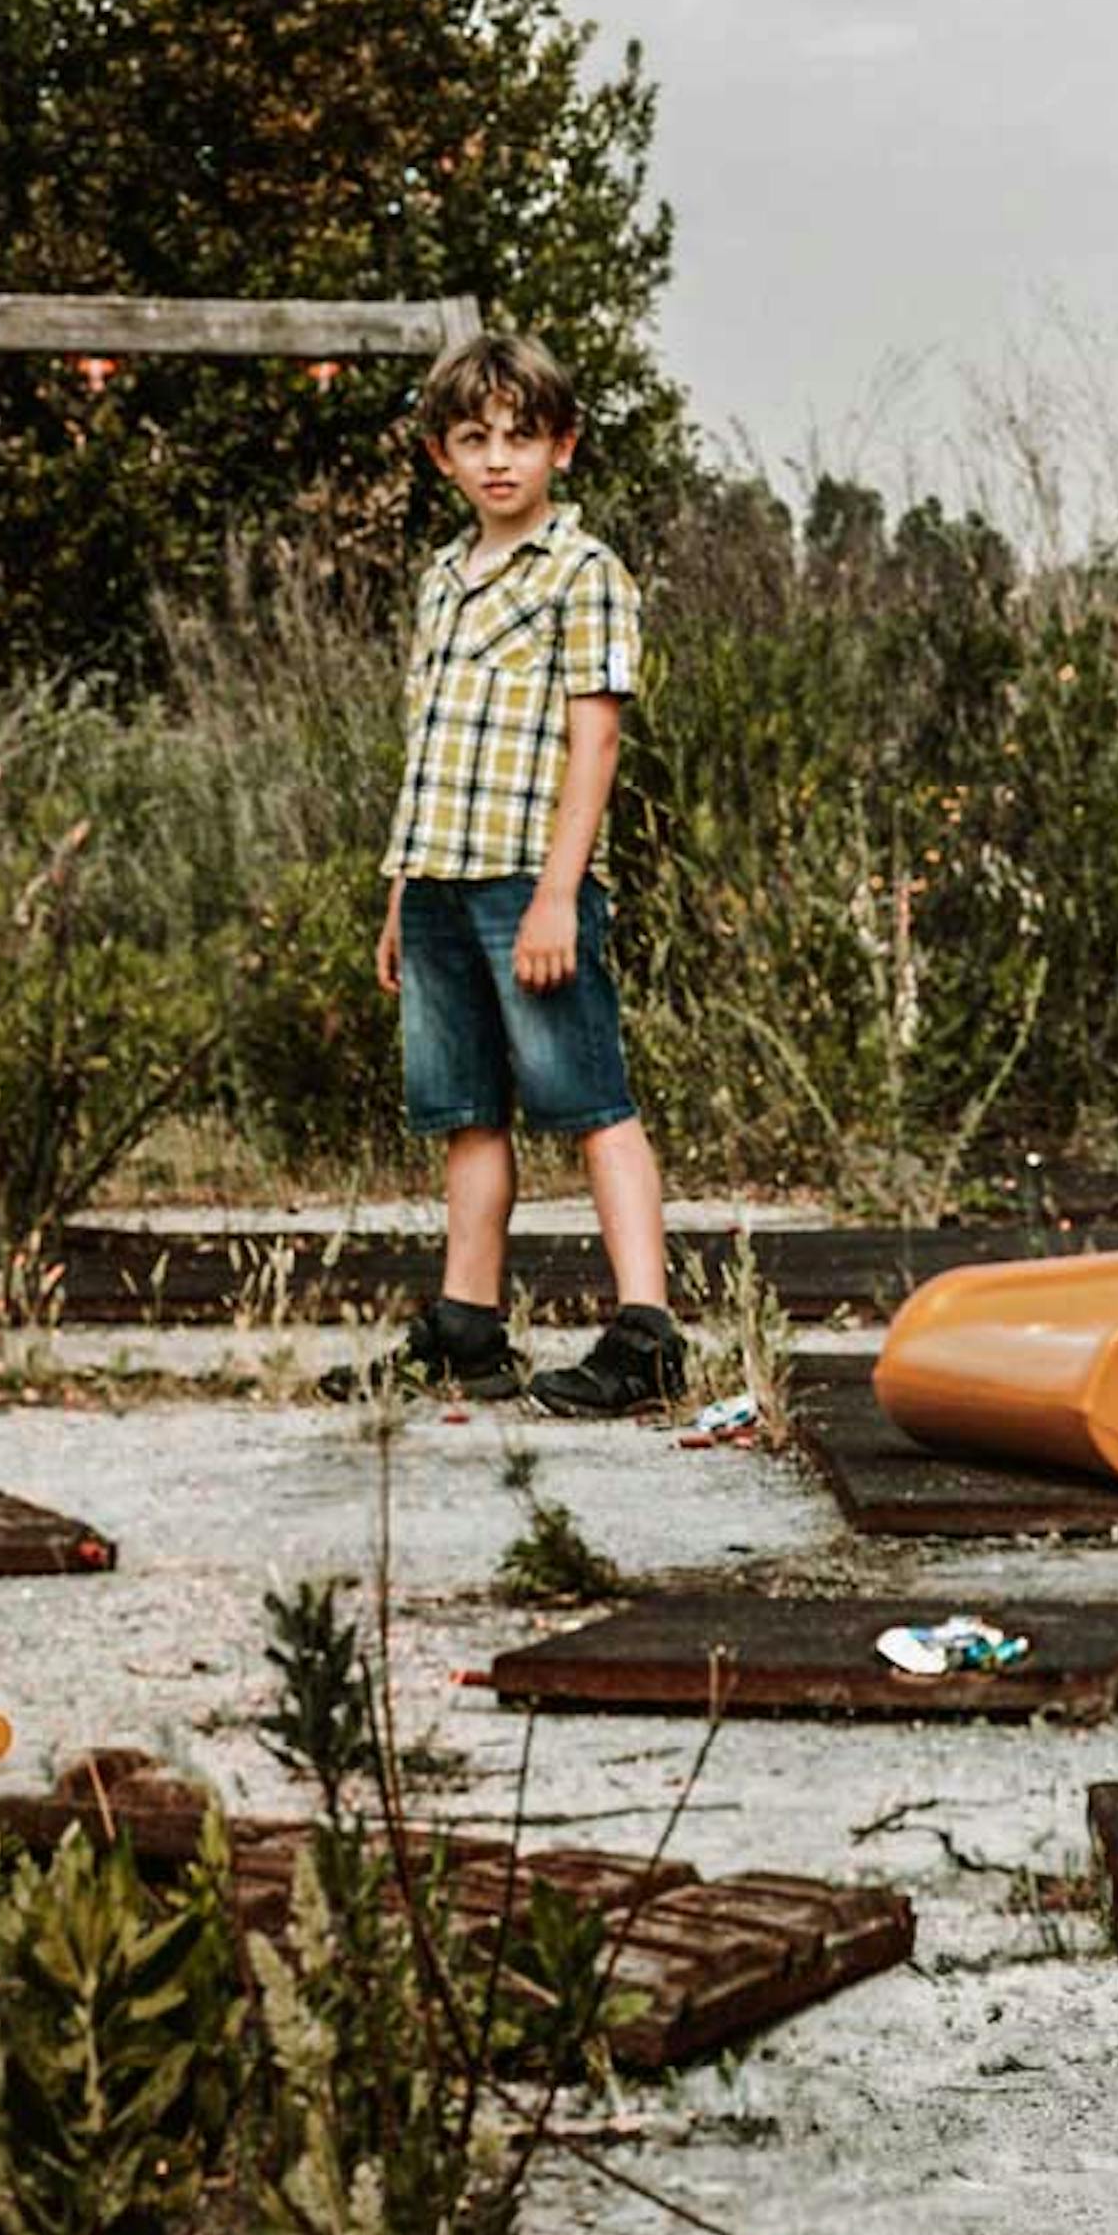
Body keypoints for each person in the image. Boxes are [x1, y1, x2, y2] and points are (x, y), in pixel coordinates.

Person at [370, 327, 685, 1420]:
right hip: (440, 880)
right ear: (439, 455)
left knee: (589, 1096)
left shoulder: (583, 576)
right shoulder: (439, 581)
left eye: (520, 436)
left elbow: (592, 742)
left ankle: (645, 1328)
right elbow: (427, 747)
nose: (497, 458)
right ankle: (467, 1326)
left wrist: (559, 890)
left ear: (563, 446)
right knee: (465, 1110)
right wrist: (401, 890)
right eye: (472, 438)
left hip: (527, 881)